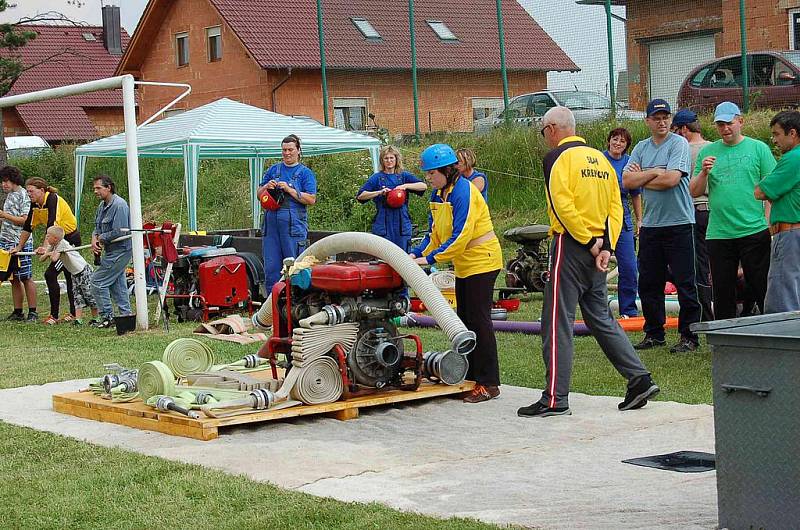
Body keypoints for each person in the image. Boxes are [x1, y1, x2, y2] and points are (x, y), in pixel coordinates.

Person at [517, 107, 659, 418]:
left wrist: (587, 240)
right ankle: (638, 378)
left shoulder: (556, 158)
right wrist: (605, 245)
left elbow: (562, 203)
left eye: (544, 132)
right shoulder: (601, 161)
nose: (545, 138)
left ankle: (555, 397)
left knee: (557, 320)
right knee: (601, 317)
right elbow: (615, 207)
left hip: (572, 245)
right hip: (600, 246)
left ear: (553, 128)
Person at [409, 143, 503, 404]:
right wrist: (415, 254)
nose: (427, 178)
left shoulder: (465, 192)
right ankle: (472, 377)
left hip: (482, 262)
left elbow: (460, 236)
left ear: (447, 170)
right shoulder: (439, 195)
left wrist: (429, 259)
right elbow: (434, 234)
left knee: (480, 323)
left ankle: (489, 383)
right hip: (464, 265)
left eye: (431, 173)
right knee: (464, 321)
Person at [623, 99, 700, 353]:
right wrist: (655, 172)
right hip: (651, 225)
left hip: (679, 223)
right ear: (647, 121)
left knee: (685, 282)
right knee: (648, 282)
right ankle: (654, 333)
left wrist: (645, 175)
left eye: (666, 117)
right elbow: (627, 180)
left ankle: (689, 336)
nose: (662, 121)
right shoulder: (642, 148)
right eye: (656, 117)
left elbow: (671, 179)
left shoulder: (678, 143)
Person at [690, 102, 774, 320]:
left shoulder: (758, 149)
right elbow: (694, 191)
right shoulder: (708, 152)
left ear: (740, 121)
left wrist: (766, 223)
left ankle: (770, 332)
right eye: (720, 124)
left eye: (729, 123)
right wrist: (703, 174)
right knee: (722, 290)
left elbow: (772, 188)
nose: (725, 128)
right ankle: (725, 340)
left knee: (760, 286)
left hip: (753, 229)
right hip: (719, 233)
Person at [13, 177, 80, 324]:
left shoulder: (52, 199)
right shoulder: (34, 204)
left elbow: (52, 225)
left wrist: (45, 247)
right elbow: (27, 227)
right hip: (55, 240)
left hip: (68, 241)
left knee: (52, 274)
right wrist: (18, 247)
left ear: (42, 190)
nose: (29, 194)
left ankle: (58, 315)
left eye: (31, 191)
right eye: (27, 191)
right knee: (62, 275)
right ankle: (68, 313)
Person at [259, 134, 317, 292]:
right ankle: (272, 308)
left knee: (294, 266)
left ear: (298, 150)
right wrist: (266, 187)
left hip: (293, 227)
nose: (287, 153)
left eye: (290, 149)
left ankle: (296, 304)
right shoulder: (273, 170)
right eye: (284, 150)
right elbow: (259, 194)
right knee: (271, 267)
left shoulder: (305, 173)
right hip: (271, 225)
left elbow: (311, 199)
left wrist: (290, 190)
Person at [755, 110, 800, 313]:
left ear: (792, 133)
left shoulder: (793, 158)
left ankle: (785, 342)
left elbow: (761, 192)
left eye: (777, 134)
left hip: (790, 233)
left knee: (782, 295)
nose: (774, 140)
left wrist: (771, 191)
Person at [672, 108, 714, 321]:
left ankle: (704, 315)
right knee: (719, 264)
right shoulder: (715, 148)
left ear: (684, 130)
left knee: (699, 267)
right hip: (716, 213)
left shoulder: (682, 151)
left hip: (693, 212)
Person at [356, 145, 427, 252]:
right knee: (384, 255)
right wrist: (379, 192)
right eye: (386, 158)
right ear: (382, 161)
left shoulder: (404, 176)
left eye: (391, 158)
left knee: (403, 256)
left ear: (396, 159)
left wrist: (405, 186)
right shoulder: (377, 178)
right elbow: (361, 195)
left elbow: (423, 186)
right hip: (383, 224)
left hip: (402, 223)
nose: (389, 161)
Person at [603, 127, 641, 318]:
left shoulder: (629, 163)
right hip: (602, 219)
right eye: (615, 139)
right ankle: (599, 310)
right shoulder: (599, 160)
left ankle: (629, 310)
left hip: (624, 219)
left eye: (622, 141)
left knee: (629, 266)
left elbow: (636, 194)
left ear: (627, 146)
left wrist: (639, 220)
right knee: (598, 265)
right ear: (609, 140)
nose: (618, 143)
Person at [90, 175, 132, 328]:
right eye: (94, 188)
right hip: (110, 250)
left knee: (97, 282)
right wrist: (94, 238)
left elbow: (120, 231)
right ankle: (126, 316)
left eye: (98, 188)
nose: (95, 191)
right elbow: (97, 227)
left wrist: (100, 238)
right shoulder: (102, 206)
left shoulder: (119, 205)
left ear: (108, 188)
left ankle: (107, 317)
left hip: (121, 250)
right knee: (117, 284)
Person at [38, 226, 98, 325]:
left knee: (89, 295)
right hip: (74, 273)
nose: (46, 238)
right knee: (77, 296)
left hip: (83, 271)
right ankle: (78, 320)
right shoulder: (53, 245)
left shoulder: (62, 244)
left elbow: (54, 259)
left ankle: (96, 318)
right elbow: (41, 259)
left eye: (48, 236)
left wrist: (47, 253)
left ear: (55, 238)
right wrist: (44, 253)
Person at [0, 166, 37, 322]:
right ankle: (18, 311)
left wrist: (4, 215)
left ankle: (33, 312)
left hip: (20, 241)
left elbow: (24, 220)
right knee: (13, 277)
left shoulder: (24, 195)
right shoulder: (10, 196)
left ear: (14, 180)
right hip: (6, 241)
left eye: (6, 181)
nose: (3, 185)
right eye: (2, 182)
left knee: (25, 277)